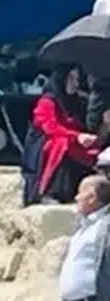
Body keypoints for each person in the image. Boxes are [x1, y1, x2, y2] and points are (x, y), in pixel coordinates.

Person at [30, 66, 100, 205]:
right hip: (47, 144)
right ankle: (51, 192)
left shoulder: (78, 102)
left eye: (77, 79)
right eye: (71, 79)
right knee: (61, 144)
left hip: (74, 141)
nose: (75, 83)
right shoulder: (47, 102)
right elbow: (51, 128)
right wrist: (76, 136)